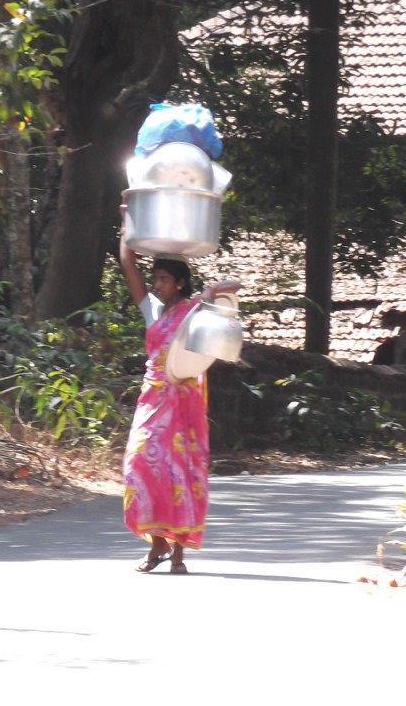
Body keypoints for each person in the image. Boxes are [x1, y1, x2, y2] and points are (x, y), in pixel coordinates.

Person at [119, 203, 240, 574]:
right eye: (155, 280)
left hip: (183, 400)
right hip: (153, 398)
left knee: (178, 473)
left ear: (180, 284)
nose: (156, 285)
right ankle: (157, 546)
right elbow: (127, 261)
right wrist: (128, 219)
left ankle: (177, 556)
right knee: (140, 466)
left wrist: (213, 290)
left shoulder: (194, 311)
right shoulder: (154, 311)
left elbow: (231, 293)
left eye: (163, 280)